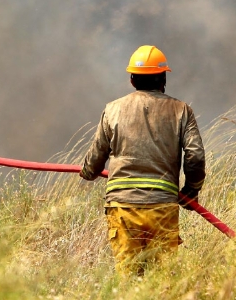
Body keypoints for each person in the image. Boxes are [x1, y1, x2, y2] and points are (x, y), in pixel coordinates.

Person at [80, 45, 206, 275]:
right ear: (163, 79)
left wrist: (88, 171)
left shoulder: (113, 110)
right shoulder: (181, 110)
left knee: (129, 283)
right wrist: (190, 191)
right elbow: (195, 157)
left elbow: (96, 157)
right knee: (163, 283)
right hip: (162, 207)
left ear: (132, 80)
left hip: (123, 208)